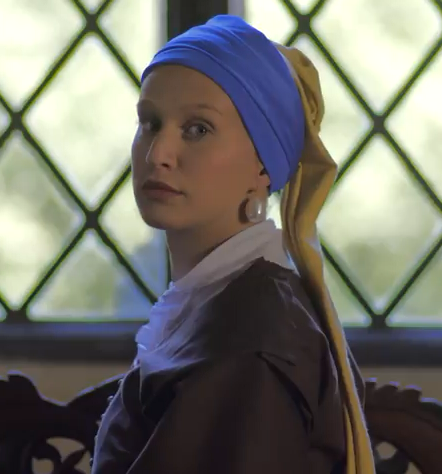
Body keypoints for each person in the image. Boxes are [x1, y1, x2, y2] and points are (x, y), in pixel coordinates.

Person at [91, 15, 375, 474]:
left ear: (263, 165)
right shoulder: (223, 302)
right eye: (149, 122)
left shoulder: (253, 342)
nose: (157, 153)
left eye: (197, 129)